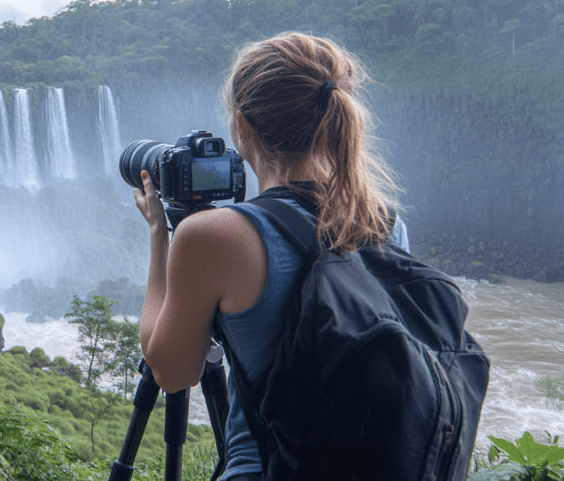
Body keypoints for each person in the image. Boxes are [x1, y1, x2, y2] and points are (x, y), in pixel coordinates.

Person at [133, 32, 406, 480]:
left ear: (241, 127)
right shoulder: (385, 221)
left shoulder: (216, 236)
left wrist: (160, 234)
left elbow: (172, 371)